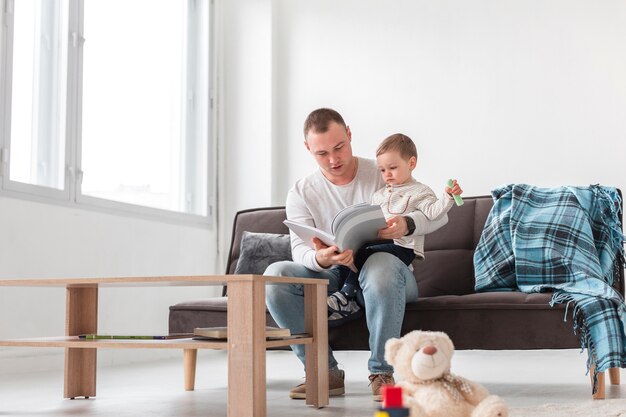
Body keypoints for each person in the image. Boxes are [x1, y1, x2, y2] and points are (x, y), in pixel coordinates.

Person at [264, 108, 449, 401]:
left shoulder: (382, 171)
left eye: (339, 147)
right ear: (308, 149)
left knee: (378, 265)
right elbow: (300, 249)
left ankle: (381, 371)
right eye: (322, 153)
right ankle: (323, 372)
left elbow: (438, 216)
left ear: (349, 135)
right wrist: (322, 258)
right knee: (275, 276)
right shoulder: (301, 192)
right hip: (335, 274)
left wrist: (407, 223)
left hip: (389, 273)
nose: (333, 160)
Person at [327, 133, 463, 325]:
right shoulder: (379, 195)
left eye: (392, 168)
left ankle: (346, 295)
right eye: (382, 170)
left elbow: (434, 213)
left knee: (366, 254)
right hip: (378, 245)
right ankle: (347, 298)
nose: (387, 175)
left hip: (403, 248)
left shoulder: (420, 191)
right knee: (353, 253)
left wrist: (447, 197)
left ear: (411, 163)